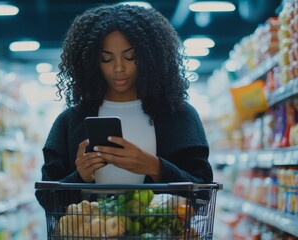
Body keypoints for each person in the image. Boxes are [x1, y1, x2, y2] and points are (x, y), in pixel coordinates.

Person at [36, 3, 213, 204]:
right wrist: (80, 177)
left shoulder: (179, 115)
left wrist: (155, 167)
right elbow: (46, 198)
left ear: (150, 57)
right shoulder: (70, 121)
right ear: (91, 61)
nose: (119, 68)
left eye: (131, 57)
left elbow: (203, 193)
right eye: (106, 59)